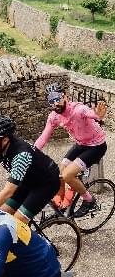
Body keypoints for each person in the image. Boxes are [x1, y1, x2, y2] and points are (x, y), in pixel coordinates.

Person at [0, 115, 60, 223]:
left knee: (16, 221)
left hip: (45, 184)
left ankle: (28, 234)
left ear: (5, 140)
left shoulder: (21, 155)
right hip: (26, 182)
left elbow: (8, 191)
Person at [34, 82, 107, 217]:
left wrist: (98, 116)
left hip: (97, 146)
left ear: (65, 96)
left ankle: (89, 201)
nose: (55, 103)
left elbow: (91, 113)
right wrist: (31, 153)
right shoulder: (54, 116)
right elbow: (44, 137)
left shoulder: (78, 109)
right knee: (59, 173)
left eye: (57, 98)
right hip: (81, 144)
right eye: (51, 101)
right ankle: (61, 204)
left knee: (68, 175)